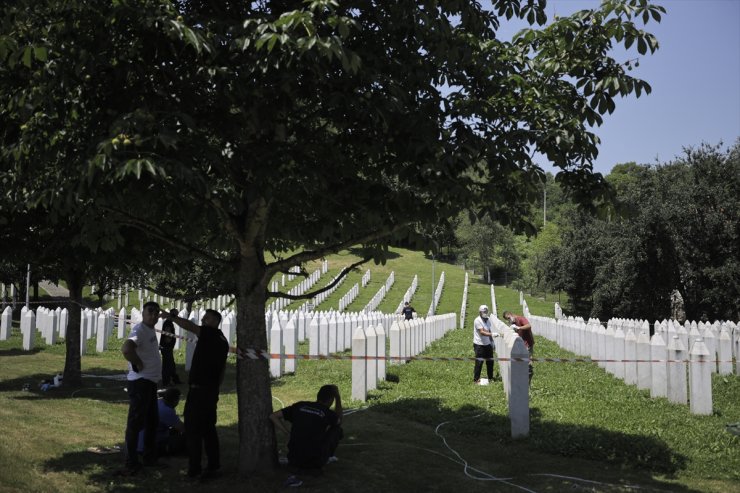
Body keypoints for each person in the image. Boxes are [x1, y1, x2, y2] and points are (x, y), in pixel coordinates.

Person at [159, 308, 229, 481]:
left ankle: (194, 469)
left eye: (207, 318)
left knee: (193, 430)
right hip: (211, 391)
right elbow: (222, 370)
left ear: (214, 322)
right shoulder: (222, 340)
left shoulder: (210, 334)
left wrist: (171, 317)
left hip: (199, 391)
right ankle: (213, 465)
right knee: (209, 429)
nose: (203, 321)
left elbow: (190, 326)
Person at [120, 301, 163, 475]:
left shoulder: (150, 329)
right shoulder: (139, 330)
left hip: (149, 383)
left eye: (156, 313)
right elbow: (126, 348)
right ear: (143, 314)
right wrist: (137, 363)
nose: (153, 315)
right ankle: (131, 462)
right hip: (140, 383)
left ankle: (149, 457)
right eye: (149, 312)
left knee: (152, 422)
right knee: (135, 423)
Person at [270, 384, 343, 478]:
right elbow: (339, 421)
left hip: (293, 459)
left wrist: (287, 433)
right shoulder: (327, 413)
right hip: (314, 462)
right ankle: (325, 457)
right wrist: (338, 398)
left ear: (318, 395)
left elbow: (273, 416)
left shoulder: (300, 405)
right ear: (331, 400)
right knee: (337, 430)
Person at [137, 387, 186, 457]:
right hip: (149, 448)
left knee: (174, 431)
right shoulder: (167, 411)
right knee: (186, 438)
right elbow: (183, 428)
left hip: (139, 444)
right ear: (176, 400)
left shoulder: (158, 403)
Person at [503, 310, 535, 383]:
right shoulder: (513, 323)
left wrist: (519, 328)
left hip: (527, 343)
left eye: (508, 318)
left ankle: (528, 376)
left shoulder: (521, 318)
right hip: (521, 344)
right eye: (507, 319)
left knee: (528, 361)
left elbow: (528, 325)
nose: (508, 320)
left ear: (511, 314)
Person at [473, 304, 496, 384]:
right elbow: (482, 332)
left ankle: (490, 378)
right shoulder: (477, 320)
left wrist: (492, 342)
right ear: (480, 312)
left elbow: (489, 330)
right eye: (483, 311)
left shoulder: (488, 319)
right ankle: (476, 380)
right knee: (479, 362)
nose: (485, 313)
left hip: (488, 344)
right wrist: (492, 334)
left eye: (486, 311)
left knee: (490, 362)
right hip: (479, 344)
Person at [160, 309, 182, 386]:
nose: (176, 317)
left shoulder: (169, 322)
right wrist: (169, 342)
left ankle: (175, 379)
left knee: (171, 365)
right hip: (167, 348)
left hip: (168, 348)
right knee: (167, 365)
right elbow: (167, 336)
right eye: (175, 315)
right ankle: (166, 381)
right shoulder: (168, 323)